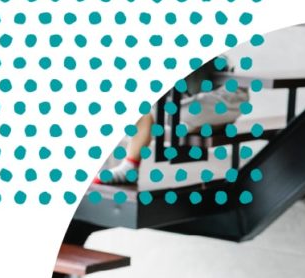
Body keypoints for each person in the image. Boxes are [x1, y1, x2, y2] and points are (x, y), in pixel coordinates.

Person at [94, 56, 249, 186]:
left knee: (186, 112)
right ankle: (130, 167)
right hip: (187, 102)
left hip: (225, 95)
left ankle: (200, 124)